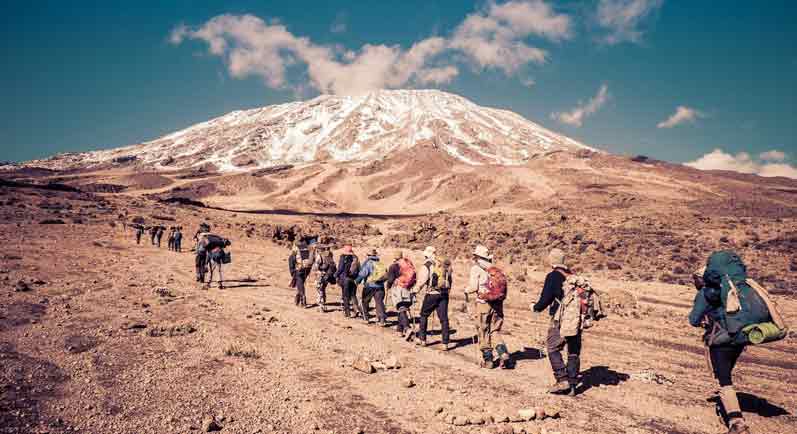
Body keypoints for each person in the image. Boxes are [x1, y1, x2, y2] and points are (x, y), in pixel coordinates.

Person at [689, 254, 756, 434]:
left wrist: (704, 319)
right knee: (726, 373)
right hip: (741, 337)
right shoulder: (735, 289)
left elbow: (693, 319)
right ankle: (729, 401)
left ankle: (737, 423)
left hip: (720, 340)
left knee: (723, 379)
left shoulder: (706, 293)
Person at [532, 248, 579, 394]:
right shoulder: (572, 276)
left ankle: (562, 379)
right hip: (577, 318)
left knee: (552, 347)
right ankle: (572, 384)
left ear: (552, 260)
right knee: (573, 350)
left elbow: (546, 299)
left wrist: (535, 307)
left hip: (561, 318)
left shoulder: (552, 276)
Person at [466, 245, 510, 368]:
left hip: (483, 303)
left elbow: (473, 287)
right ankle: (503, 353)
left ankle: (488, 360)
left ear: (477, 257)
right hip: (497, 304)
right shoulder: (494, 269)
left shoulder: (476, 268)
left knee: (483, 331)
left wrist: (466, 290)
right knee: (494, 330)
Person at [415, 246, 454, 350]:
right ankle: (445, 343)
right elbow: (450, 280)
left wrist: (415, 290)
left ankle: (422, 339)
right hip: (444, 294)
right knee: (444, 318)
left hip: (432, 293)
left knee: (424, 314)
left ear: (426, 255)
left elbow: (422, 281)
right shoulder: (445, 265)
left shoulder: (427, 265)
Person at [385, 251, 417, 340]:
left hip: (398, 290)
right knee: (403, 309)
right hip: (408, 289)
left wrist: (388, 286)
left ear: (394, 257)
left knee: (401, 309)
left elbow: (390, 279)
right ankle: (399, 330)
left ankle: (407, 328)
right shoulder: (409, 264)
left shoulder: (393, 266)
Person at [355, 248, 388, 326]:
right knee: (379, 302)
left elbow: (363, 274)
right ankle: (382, 320)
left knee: (365, 301)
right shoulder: (380, 263)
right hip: (380, 286)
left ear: (368, 255)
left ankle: (366, 318)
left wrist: (357, 280)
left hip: (369, 286)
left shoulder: (368, 263)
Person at [336, 245, 361, 318]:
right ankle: (357, 310)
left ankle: (347, 313)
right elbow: (359, 268)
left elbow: (340, 269)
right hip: (354, 279)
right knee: (353, 295)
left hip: (345, 279)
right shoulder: (355, 257)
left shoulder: (343, 257)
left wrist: (335, 275)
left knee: (346, 296)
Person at [289, 241, 313, 307]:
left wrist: (293, 273)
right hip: (306, 269)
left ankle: (303, 301)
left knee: (300, 284)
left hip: (299, 270)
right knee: (300, 284)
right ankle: (297, 300)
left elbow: (291, 263)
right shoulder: (305, 248)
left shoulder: (294, 252)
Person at [314, 246, 336, 312]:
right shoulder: (330, 255)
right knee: (323, 289)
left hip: (321, 275)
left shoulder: (320, 256)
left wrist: (317, 270)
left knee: (319, 289)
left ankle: (321, 306)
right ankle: (323, 303)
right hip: (328, 276)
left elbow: (315, 267)